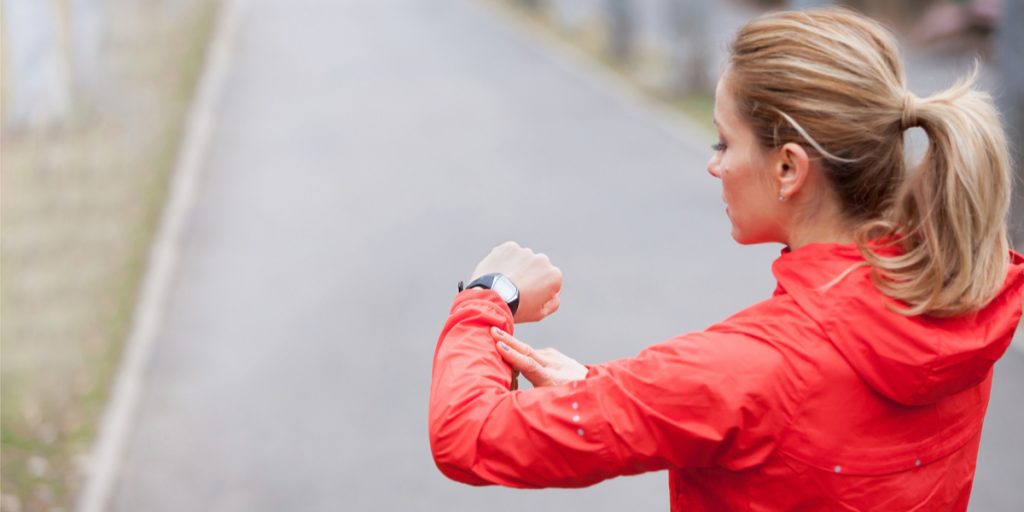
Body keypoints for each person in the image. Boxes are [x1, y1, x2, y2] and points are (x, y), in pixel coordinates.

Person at [428, 8, 1023, 511]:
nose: (714, 164)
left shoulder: (741, 369)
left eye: (724, 142)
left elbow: (469, 435)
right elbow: (814, 424)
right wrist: (601, 390)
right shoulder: (956, 300)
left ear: (789, 168)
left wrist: (490, 293)